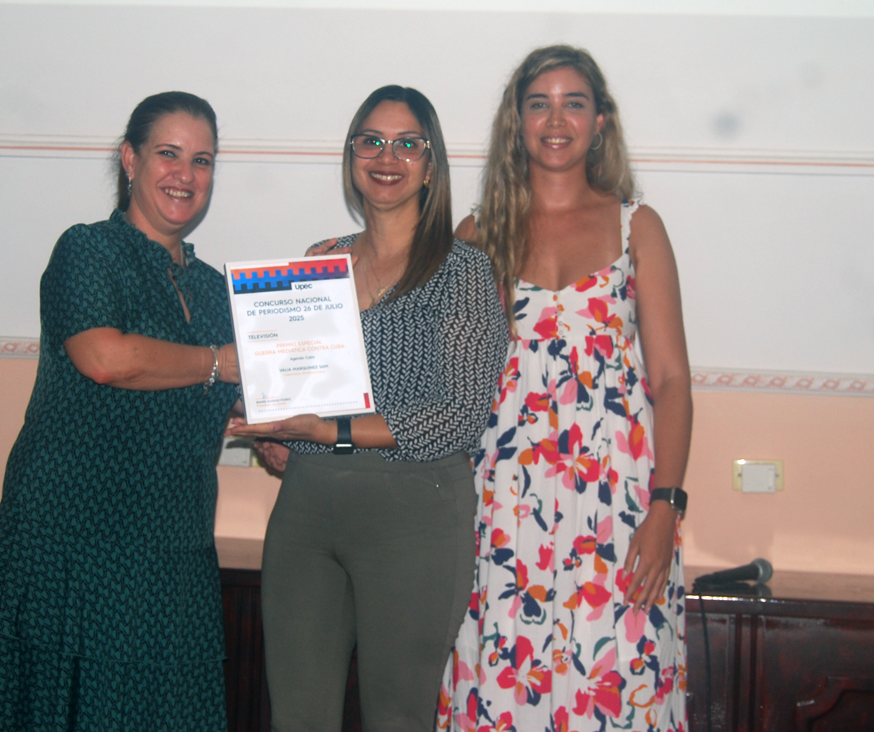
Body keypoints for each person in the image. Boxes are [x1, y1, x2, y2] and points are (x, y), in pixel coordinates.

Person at [228, 85, 509, 731]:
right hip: (307, 509)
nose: (387, 157)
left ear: (431, 164)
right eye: (371, 141)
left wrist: (324, 429)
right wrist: (275, 423)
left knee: (397, 718)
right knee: (296, 718)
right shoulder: (319, 260)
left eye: (408, 144)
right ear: (352, 154)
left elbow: (457, 415)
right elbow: (302, 385)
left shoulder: (464, 270)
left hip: (415, 516)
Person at [0, 92, 240, 731]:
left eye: (201, 161)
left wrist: (283, 426)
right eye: (168, 154)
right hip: (76, 541)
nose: (185, 174)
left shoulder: (216, 289)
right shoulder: (87, 250)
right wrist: (219, 363)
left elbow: (223, 396)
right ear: (130, 160)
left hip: (173, 546)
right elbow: (105, 358)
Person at [439, 46, 691, 732]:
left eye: (573, 103)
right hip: (502, 508)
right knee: (502, 686)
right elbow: (449, 386)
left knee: (619, 683)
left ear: (600, 121)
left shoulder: (638, 225)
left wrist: (666, 508)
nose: (556, 120)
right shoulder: (476, 235)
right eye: (539, 104)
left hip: (619, 506)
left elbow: (672, 380)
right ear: (516, 121)